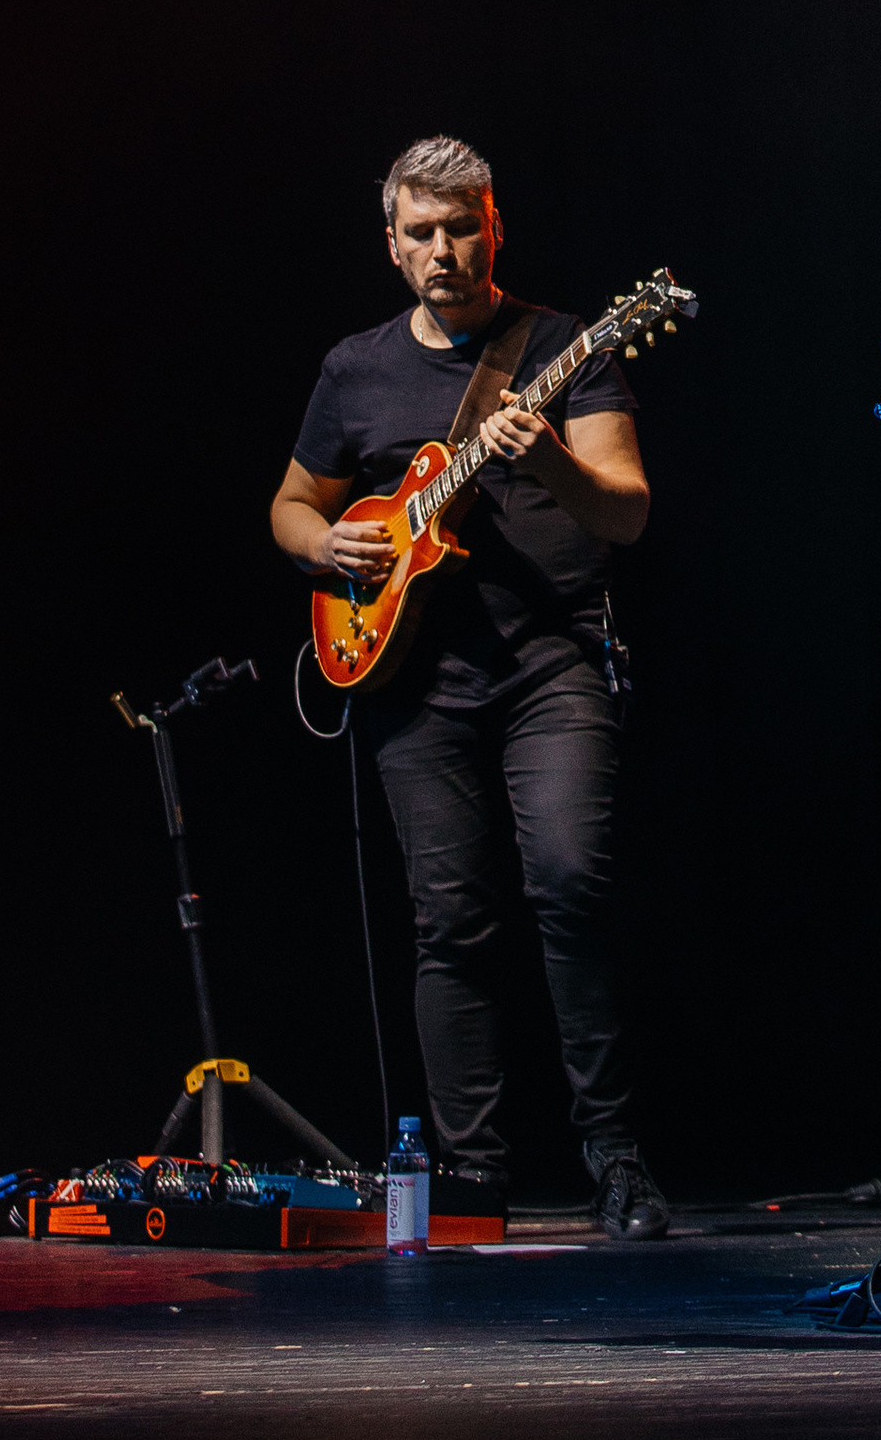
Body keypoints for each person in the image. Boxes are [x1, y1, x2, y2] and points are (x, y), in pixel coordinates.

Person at [270, 135, 669, 1242]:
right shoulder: (356, 369)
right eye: (422, 233)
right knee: (448, 921)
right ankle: (471, 1176)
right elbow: (292, 505)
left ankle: (616, 1158)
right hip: (414, 678)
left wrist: (546, 461)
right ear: (392, 247)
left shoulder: (565, 347)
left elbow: (628, 511)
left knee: (571, 886)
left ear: (495, 230)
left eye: (461, 228)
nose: (443, 250)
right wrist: (327, 549)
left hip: (552, 662)